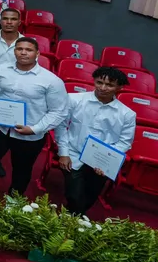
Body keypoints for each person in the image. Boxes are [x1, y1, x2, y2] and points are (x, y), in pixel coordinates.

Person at [0, 37, 69, 201]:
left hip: (29, 134)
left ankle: (13, 201)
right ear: (14, 51)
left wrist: (35, 129)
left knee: (22, 170)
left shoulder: (51, 81)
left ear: (37, 53)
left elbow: (58, 112)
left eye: (28, 50)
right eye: (19, 49)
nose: (23, 52)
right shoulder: (2, 69)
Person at [56, 67, 136, 215]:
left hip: (101, 161)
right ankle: (74, 220)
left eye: (110, 85)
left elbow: (125, 142)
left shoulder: (127, 114)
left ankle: (72, 218)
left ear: (120, 88)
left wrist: (106, 161)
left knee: (90, 196)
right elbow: (61, 126)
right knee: (74, 194)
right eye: (99, 82)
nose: (103, 88)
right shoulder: (74, 99)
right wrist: (63, 153)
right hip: (73, 154)